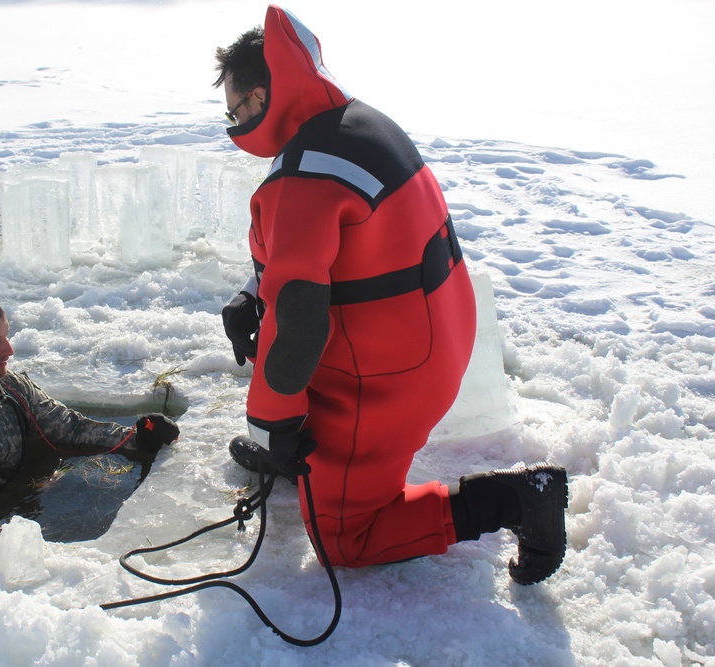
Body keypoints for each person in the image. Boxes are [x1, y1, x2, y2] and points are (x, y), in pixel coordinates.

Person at [214, 6, 567, 585]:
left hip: (384, 377)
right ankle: (312, 463)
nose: (232, 123)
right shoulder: (351, 123)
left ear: (261, 95)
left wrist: (271, 422)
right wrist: (253, 293)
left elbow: (300, 318)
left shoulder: (304, 175)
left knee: (346, 539)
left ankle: (519, 500)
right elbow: (345, 249)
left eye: (235, 110)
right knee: (277, 363)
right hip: (434, 338)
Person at [0, 286, 179, 499]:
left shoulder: (12, 388)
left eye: (6, 337)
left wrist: (137, 438)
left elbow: (71, 429)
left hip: (3, 515)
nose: (9, 351)